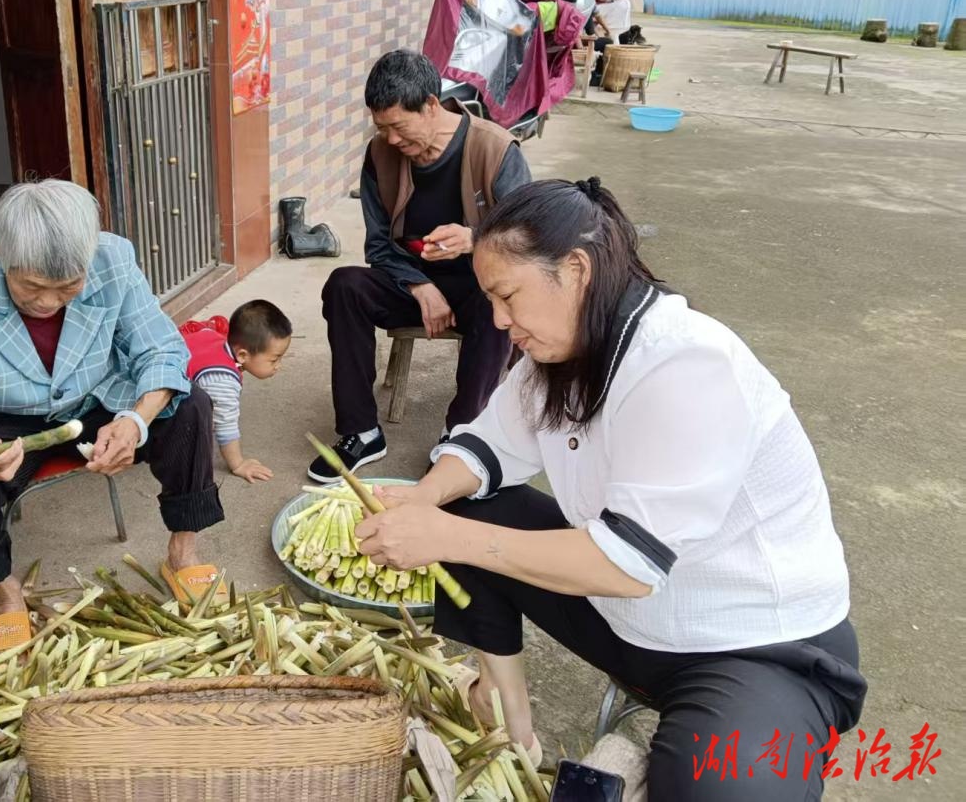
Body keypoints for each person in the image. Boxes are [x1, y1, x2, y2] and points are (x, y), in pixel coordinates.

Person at [354, 178, 865, 800]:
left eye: (507, 295)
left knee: (720, 790)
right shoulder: (557, 353)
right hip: (629, 620)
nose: (498, 320)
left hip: (750, 646)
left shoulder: (688, 365)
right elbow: (487, 447)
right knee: (464, 500)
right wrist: (424, 499)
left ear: (576, 270)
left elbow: (628, 564)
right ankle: (507, 713)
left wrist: (447, 536)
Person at [0, 180, 226, 655]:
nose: (48, 303)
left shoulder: (112, 258)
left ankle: (183, 553)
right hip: (4, 418)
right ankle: (3, 594)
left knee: (190, 406)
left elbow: (160, 349)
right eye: (31, 287)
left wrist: (136, 421)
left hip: (97, 397)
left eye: (68, 288)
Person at [309, 49, 531, 483]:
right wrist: (419, 286)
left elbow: (530, 236)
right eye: (381, 128)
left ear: (431, 104)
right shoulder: (380, 155)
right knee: (344, 285)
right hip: (410, 286)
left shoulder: (494, 148)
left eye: (399, 126)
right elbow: (378, 245)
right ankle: (361, 431)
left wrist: (474, 238)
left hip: (479, 288)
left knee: (498, 305)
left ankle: (462, 436)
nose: (391, 139)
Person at [179, 300, 293, 484]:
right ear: (242, 355)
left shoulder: (214, 337)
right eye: (274, 360)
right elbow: (226, 426)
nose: (278, 366)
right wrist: (238, 464)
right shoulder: (221, 380)